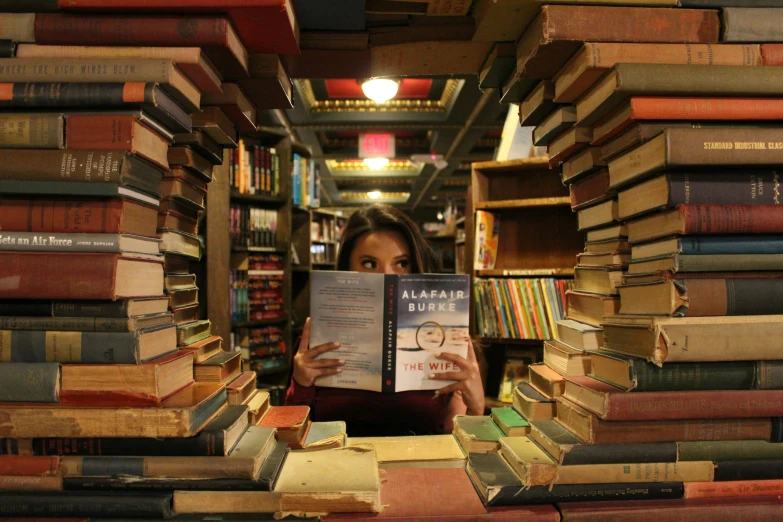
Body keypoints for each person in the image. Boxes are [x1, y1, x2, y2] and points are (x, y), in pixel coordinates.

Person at [284, 204, 485, 436]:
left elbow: (457, 439)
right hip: (335, 466)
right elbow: (290, 434)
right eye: (369, 263)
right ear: (347, 269)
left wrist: (477, 407)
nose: (387, 277)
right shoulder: (316, 340)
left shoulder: (447, 336)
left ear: (416, 266)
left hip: (417, 467)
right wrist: (300, 384)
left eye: (401, 264)